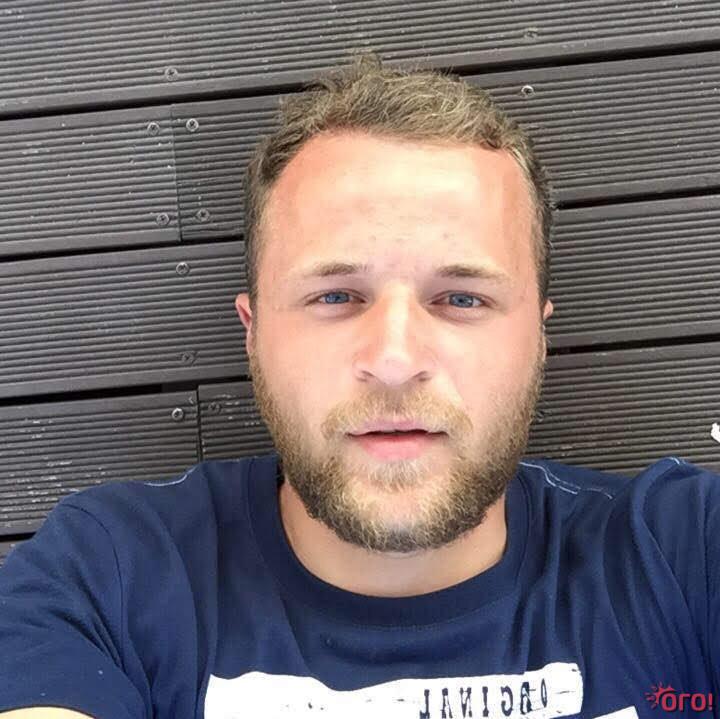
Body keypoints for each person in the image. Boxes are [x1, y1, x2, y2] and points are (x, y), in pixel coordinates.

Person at [0, 50, 717, 719]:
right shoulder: (107, 577)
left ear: (538, 335)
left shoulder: (683, 556)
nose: (395, 360)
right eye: (336, 296)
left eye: (462, 298)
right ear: (253, 332)